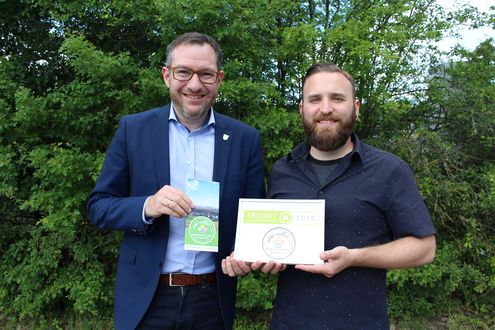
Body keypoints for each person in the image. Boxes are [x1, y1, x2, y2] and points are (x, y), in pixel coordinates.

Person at [222, 62, 436, 329]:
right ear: (302, 109)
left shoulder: (389, 170)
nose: (325, 109)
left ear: (355, 107)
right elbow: (275, 240)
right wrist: (255, 257)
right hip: (289, 323)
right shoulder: (282, 170)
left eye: (337, 98)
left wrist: (355, 257)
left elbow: (425, 249)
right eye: (315, 99)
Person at [88, 32, 265, 330]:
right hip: (147, 298)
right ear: (167, 76)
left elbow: (254, 218)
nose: (195, 84)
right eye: (184, 72)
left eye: (206, 74)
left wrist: (246, 255)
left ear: (219, 79)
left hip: (212, 300)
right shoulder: (134, 130)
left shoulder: (244, 139)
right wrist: (149, 205)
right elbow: (98, 206)